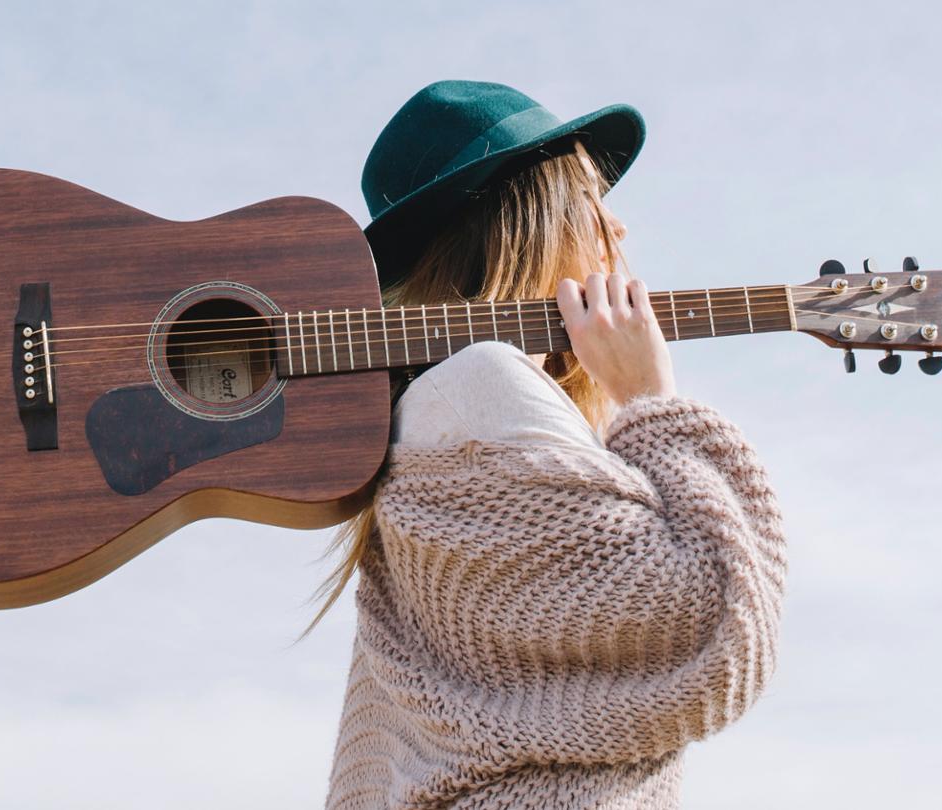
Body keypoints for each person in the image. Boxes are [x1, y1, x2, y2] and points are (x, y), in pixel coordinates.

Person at [311, 80, 787, 810]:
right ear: (532, 217)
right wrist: (651, 400)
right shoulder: (480, 386)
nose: (619, 231)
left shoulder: (432, 414)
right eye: (594, 200)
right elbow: (711, 622)